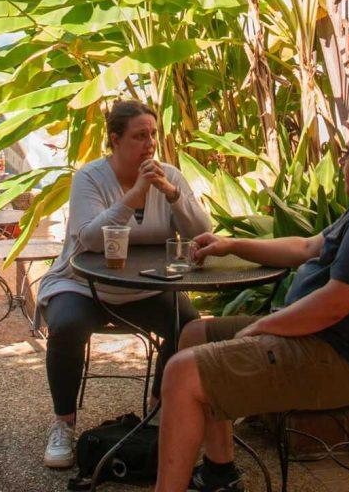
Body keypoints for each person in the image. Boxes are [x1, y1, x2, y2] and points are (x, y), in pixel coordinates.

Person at [155, 116, 349, 492]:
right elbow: (307, 247)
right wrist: (230, 244)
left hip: (336, 359)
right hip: (315, 342)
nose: (341, 164)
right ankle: (219, 474)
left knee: (181, 372)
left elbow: (335, 304)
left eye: (346, 155)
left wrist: (262, 327)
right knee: (194, 334)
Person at [37, 99, 212, 470]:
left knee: (188, 325)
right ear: (115, 140)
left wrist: (173, 194)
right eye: (138, 136)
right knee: (66, 326)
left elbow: (202, 235)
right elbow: (88, 239)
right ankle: (63, 425)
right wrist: (134, 196)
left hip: (145, 287)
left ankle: (157, 413)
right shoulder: (90, 178)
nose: (149, 144)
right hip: (83, 284)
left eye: (152, 135)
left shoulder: (170, 177)